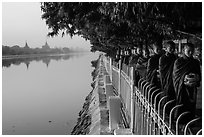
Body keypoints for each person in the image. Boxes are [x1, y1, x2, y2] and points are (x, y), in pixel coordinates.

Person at [173, 43, 201, 121]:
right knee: (182, 104)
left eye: (192, 51)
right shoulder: (178, 62)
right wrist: (184, 78)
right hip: (182, 88)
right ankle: (180, 121)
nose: (191, 53)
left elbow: (198, 74)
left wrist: (196, 78)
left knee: (191, 105)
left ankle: (190, 120)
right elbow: (176, 76)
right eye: (188, 51)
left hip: (192, 88)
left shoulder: (195, 62)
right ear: (183, 50)